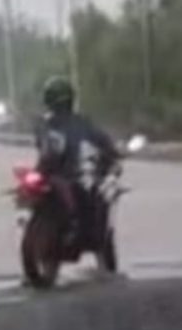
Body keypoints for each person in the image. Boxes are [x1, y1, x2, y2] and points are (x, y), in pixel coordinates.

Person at [34, 75, 123, 256]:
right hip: (69, 177)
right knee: (98, 196)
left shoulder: (44, 124)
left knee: (96, 194)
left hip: (50, 174)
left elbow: (42, 148)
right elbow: (103, 141)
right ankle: (87, 237)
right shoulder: (81, 123)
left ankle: (76, 232)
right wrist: (112, 153)